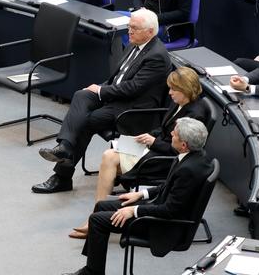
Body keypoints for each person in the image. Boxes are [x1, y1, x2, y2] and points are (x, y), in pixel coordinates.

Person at [32, 8, 171, 194]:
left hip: (133, 109)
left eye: (134, 28)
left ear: (150, 32)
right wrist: (98, 89)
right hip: (117, 98)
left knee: (86, 121)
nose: (129, 31)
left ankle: (62, 176)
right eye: (129, 26)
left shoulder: (157, 56)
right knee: (81, 95)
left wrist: (102, 91)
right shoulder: (134, 44)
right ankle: (64, 146)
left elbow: (133, 88)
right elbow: (118, 79)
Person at [68, 67, 210, 239]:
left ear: (186, 89)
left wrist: (154, 142)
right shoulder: (179, 103)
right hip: (153, 149)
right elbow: (164, 128)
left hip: (162, 160)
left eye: (174, 89)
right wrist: (151, 135)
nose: (170, 93)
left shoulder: (195, 114)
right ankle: (99, 214)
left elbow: (179, 150)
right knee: (111, 154)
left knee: (109, 158)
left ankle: (96, 218)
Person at [61, 117, 215, 275]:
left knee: (97, 220)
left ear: (184, 145)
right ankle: (92, 266)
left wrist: (134, 210)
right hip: (158, 207)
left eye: (174, 134)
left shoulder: (188, 170)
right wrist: (141, 194)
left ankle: (92, 272)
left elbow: (170, 210)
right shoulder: (196, 156)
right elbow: (169, 186)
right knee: (101, 206)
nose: (170, 134)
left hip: (161, 224)